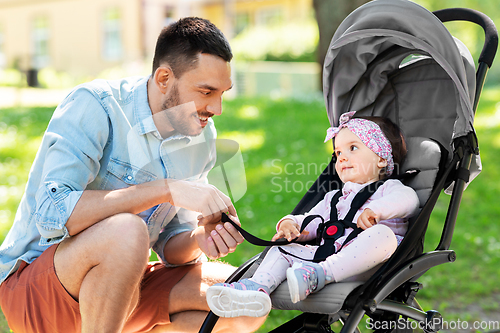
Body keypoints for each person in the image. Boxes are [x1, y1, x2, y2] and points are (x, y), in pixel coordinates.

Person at [0, 17, 266, 332]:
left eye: (222, 93)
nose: (217, 107)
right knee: (129, 230)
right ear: (164, 78)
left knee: (246, 293)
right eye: (206, 92)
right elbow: (54, 213)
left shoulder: (201, 137)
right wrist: (166, 189)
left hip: (122, 288)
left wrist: (199, 238)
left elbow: (170, 248)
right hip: (38, 288)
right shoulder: (97, 105)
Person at [206, 111, 420, 318]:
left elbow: (409, 200)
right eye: (338, 154)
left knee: (382, 235)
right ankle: (256, 288)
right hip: (325, 256)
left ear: (381, 158)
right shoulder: (334, 198)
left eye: (353, 148)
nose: (343, 158)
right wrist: (291, 224)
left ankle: (320, 274)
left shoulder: (388, 188)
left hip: (370, 264)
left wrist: (377, 211)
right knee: (283, 246)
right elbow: (312, 219)